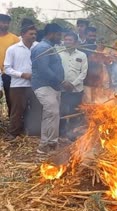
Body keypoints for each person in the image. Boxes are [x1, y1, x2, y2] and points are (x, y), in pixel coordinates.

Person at [31, 23, 67, 154]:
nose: (60, 38)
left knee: (50, 115)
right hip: (44, 86)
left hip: (53, 86)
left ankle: (48, 143)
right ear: (51, 34)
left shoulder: (50, 47)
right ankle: (48, 145)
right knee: (52, 113)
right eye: (59, 35)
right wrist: (62, 81)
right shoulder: (42, 48)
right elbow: (44, 70)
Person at [4, 25, 40, 140]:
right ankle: (14, 133)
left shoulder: (39, 47)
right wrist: (22, 75)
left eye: (35, 34)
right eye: (31, 34)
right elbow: (7, 68)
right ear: (23, 34)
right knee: (17, 110)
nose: (33, 36)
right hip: (18, 85)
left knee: (36, 108)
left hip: (35, 85)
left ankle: (34, 132)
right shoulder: (13, 49)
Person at [59, 32, 88, 136]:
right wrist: (63, 83)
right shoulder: (59, 54)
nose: (67, 42)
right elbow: (57, 71)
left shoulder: (82, 55)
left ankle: (73, 134)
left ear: (75, 42)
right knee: (62, 111)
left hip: (76, 90)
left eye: (70, 40)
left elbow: (83, 73)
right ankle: (61, 133)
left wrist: (73, 84)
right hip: (62, 89)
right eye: (65, 39)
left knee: (74, 112)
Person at [0, 14, 20, 116]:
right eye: (3, 22)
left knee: (11, 98)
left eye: (7, 22)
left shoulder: (14, 39)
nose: (5, 24)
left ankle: (13, 121)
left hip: (9, 73)